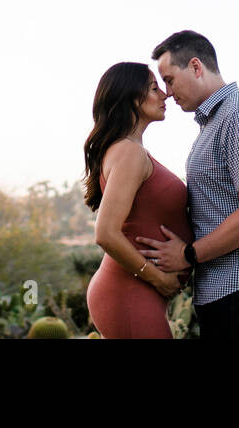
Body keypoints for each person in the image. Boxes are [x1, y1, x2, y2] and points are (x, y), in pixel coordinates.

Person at [136, 31, 239, 339]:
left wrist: (188, 254)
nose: (167, 92)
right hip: (226, 294)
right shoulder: (216, 122)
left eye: (169, 79)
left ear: (196, 67)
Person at [82, 62, 193, 338]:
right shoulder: (129, 153)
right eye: (154, 88)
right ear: (131, 97)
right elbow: (106, 233)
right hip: (128, 292)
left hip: (136, 292)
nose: (165, 95)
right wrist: (160, 279)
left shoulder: (130, 150)